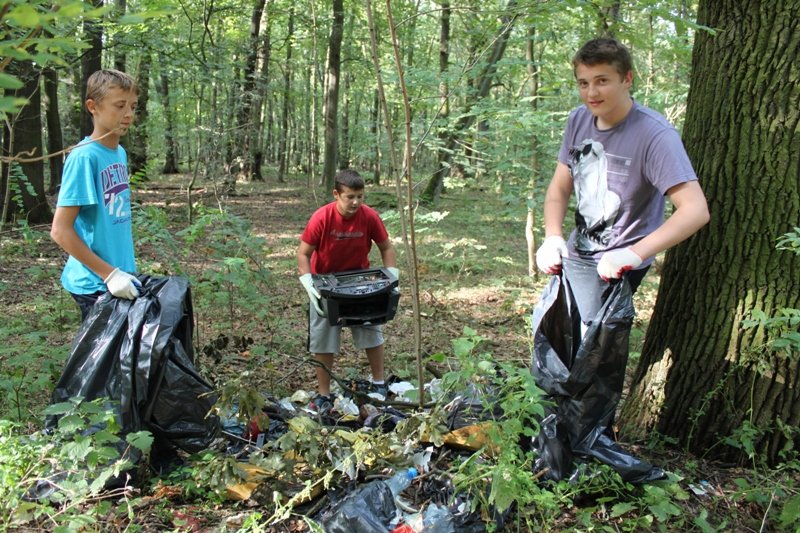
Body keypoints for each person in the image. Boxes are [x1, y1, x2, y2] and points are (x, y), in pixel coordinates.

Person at [536, 37, 709, 291]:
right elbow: (559, 187)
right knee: (554, 329)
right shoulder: (579, 120)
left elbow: (695, 210)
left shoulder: (655, 135)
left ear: (627, 79)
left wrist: (634, 254)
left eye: (602, 81)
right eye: (583, 83)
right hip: (575, 256)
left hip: (617, 266)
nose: (591, 93)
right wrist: (552, 236)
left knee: (595, 332)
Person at [297, 169, 398, 415]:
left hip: (361, 281)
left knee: (371, 330)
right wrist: (309, 283)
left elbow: (386, 247)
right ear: (336, 194)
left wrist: (392, 275)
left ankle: (378, 384)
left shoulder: (369, 216)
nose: (356, 202)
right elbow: (303, 253)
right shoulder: (322, 217)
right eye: (350, 196)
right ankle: (323, 394)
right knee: (323, 338)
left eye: (360, 196)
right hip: (327, 284)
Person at [51, 69, 141, 321]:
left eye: (133, 106)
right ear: (93, 106)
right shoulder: (84, 157)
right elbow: (60, 230)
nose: (128, 114)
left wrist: (121, 272)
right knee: (101, 359)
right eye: (120, 105)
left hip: (118, 275)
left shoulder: (119, 153)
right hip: (94, 282)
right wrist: (109, 275)